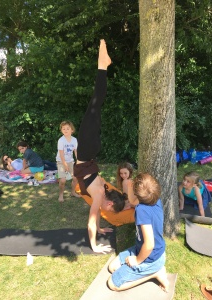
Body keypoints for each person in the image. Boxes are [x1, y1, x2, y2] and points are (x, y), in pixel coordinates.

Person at [74, 39, 126, 253]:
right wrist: (94, 246)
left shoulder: (101, 192)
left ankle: (103, 64)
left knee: (97, 103)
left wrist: (100, 230)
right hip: (87, 150)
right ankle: (102, 64)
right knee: (96, 101)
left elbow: (93, 219)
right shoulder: (100, 194)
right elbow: (92, 218)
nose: (107, 211)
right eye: (110, 211)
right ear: (110, 204)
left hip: (90, 149)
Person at [107, 172, 169, 291]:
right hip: (142, 249)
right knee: (112, 267)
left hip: (150, 258)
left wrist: (137, 260)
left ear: (138, 194)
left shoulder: (142, 211)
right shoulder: (154, 199)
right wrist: (131, 188)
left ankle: (155, 272)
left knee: (113, 284)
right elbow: (133, 201)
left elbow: (150, 244)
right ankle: (153, 268)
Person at [56, 120, 80, 202]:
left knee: (75, 177)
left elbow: (75, 151)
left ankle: (73, 192)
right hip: (61, 161)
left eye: (67, 128)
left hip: (70, 161)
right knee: (63, 180)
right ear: (61, 130)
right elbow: (61, 154)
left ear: (72, 130)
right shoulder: (61, 140)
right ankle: (61, 194)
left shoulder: (74, 140)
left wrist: (78, 161)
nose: (65, 130)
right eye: (63, 129)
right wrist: (65, 164)